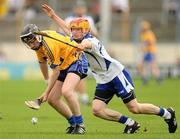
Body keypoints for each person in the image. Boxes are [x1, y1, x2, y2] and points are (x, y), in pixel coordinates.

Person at [42, 4, 177, 134]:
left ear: (85, 31)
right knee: (97, 110)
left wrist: (81, 47)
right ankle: (130, 123)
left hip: (116, 75)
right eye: (74, 30)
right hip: (103, 79)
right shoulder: (75, 37)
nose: (75, 32)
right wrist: (53, 16)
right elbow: (67, 28)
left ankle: (167, 113)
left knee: (135, 108)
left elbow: (86, 44)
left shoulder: (91, 41)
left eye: (78, 30)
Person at [20, 24, 88, 134]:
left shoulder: (49, 45)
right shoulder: (39, 44)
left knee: (66, 91)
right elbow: (42, 62)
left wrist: (45, 93)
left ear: (37, 37)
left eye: (32, 42)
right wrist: (46, 80)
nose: (31, 46)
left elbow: (56, 72)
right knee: (52, 99)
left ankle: (80, 124)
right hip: (63, 64)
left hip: (76, 59)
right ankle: (73, 124)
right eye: (29, 43)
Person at [138, 20, 162, 85]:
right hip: (146, 52)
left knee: (152, 66)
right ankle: (145, 79)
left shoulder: (149, 33)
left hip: (150, 52)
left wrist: (144, 45)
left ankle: (158, 78)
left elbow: (151, 42)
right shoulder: (143, 34)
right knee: (142, 66)